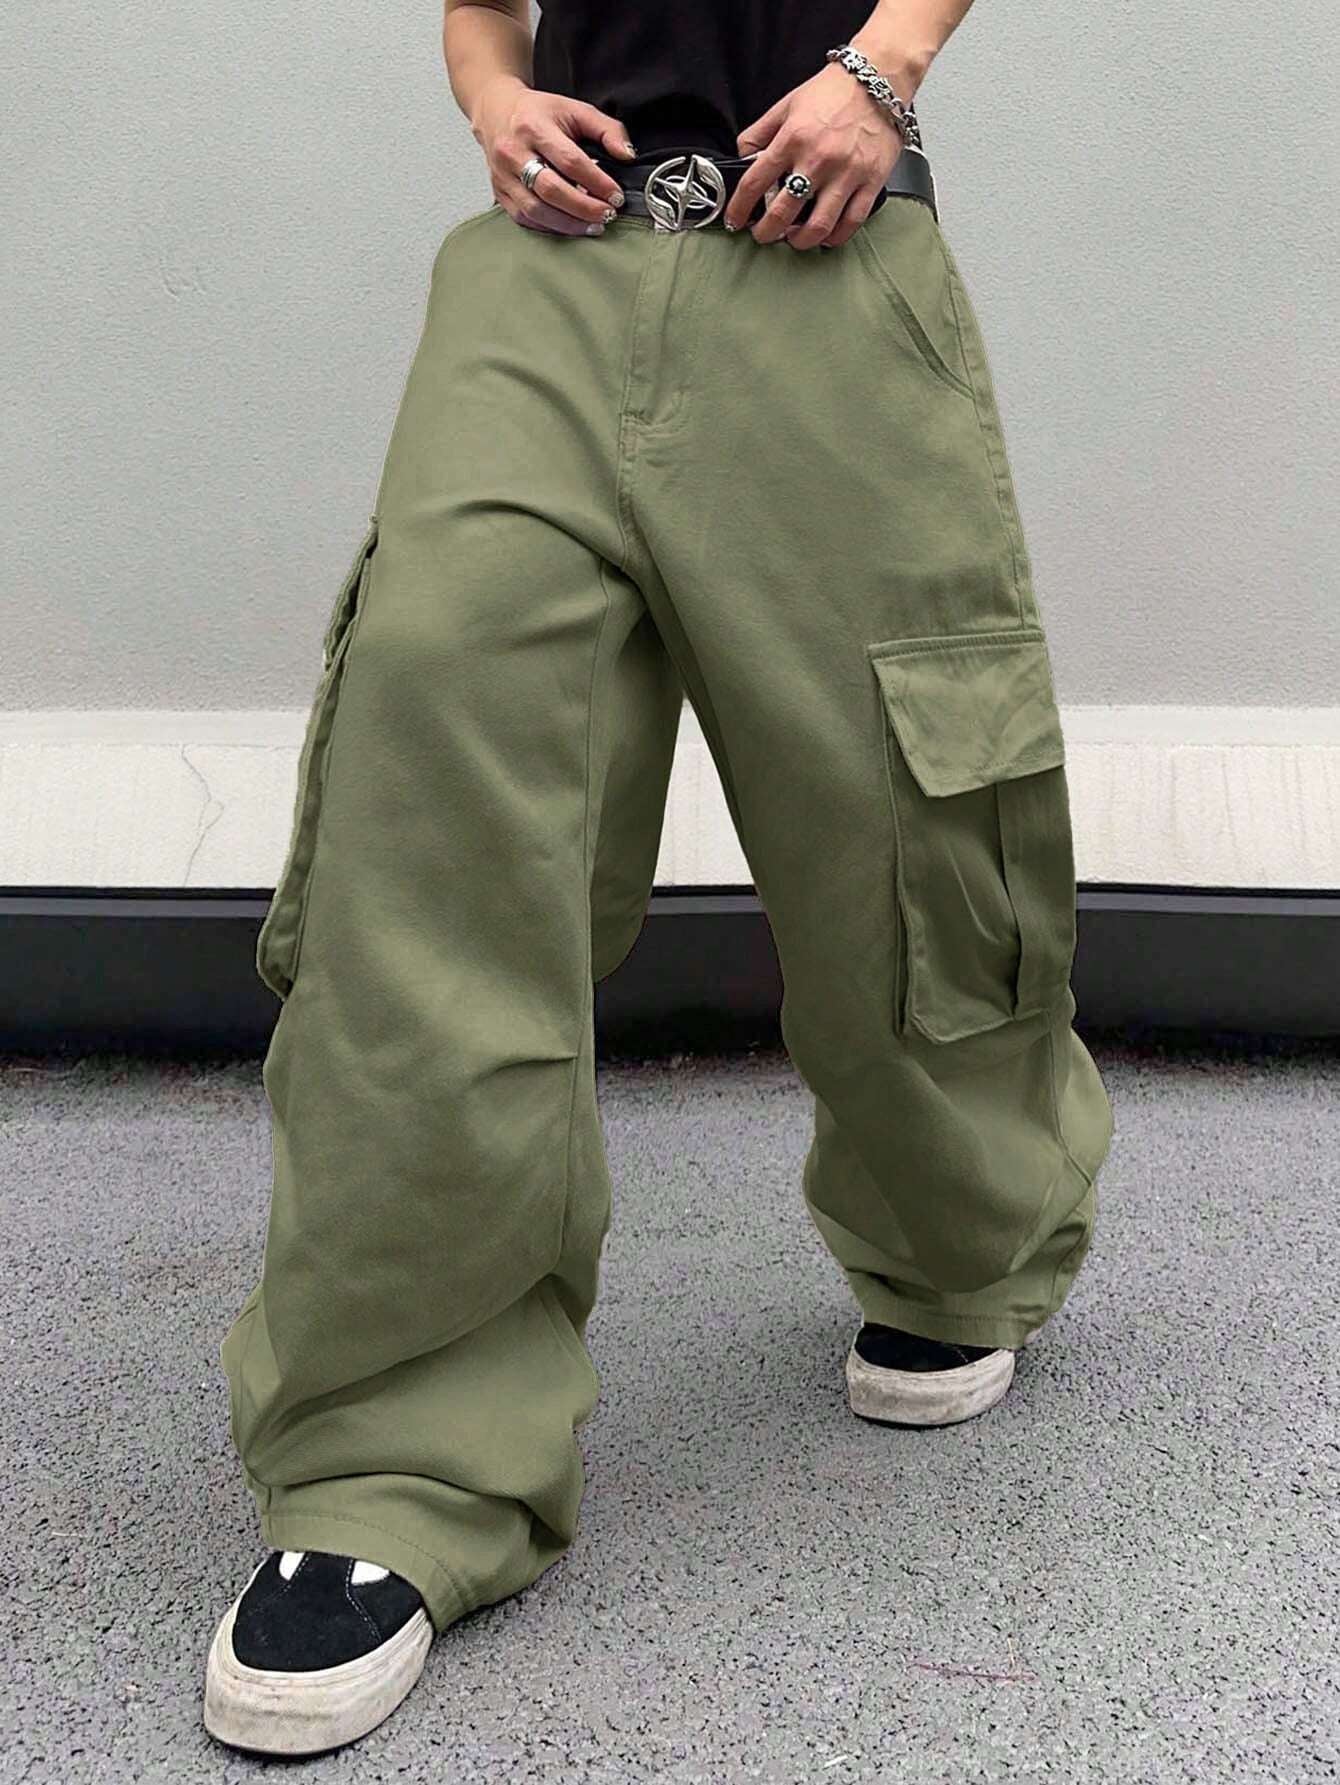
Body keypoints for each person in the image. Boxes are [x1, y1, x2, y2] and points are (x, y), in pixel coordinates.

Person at [202, 0, 1115, 1756]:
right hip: (543, 276)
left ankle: (961, 1240)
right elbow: (485, 6)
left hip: (829, 252)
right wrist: (493, 98)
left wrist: (885, 70)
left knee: (901, 799)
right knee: (432, 778)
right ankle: (399, 1460)